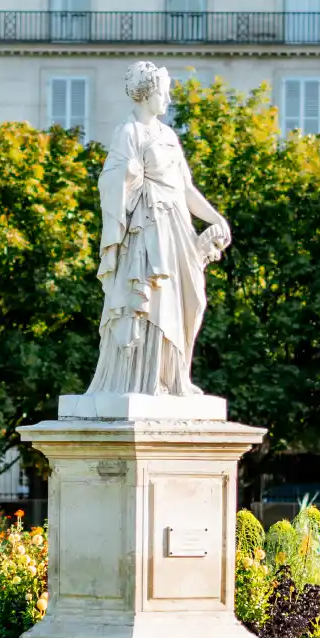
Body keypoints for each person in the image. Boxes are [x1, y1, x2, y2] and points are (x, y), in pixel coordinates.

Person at [84, 61, 231, 398]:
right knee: (151, 302)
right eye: (164, 93)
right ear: (148, 93)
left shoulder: (168, 135)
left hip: (177, 225)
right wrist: (131, 172)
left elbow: (186, 188)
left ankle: (176, 375)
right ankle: (144, 379)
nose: (167, 100)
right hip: (147, 231)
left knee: (192, 298)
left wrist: (215, 219)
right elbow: (110, 181)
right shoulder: (129, 132)